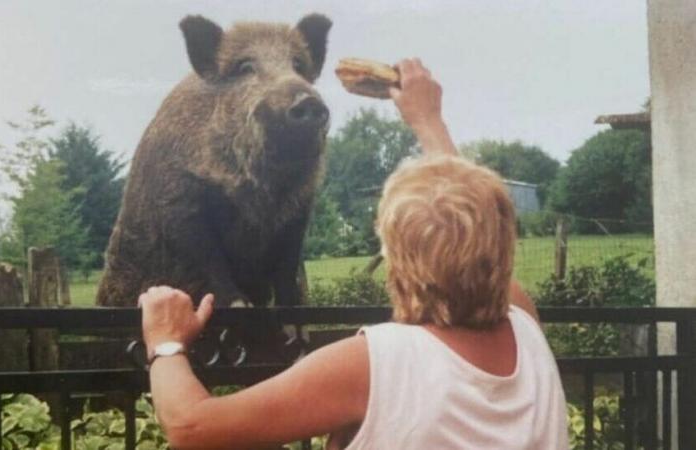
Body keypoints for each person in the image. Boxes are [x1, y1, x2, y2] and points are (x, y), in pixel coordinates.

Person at [138, 58, 569, 450]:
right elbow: (476, 218)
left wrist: (166, 343)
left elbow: (192, 427)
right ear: (498, 242)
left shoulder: (378, 364)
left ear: (394, 256)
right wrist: (428, 121)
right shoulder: (524, 328)